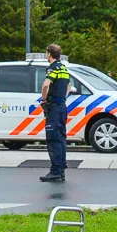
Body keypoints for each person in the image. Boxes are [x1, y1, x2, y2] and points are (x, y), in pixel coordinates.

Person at [40, 43, 71, 182]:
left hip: (53, 108)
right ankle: (62, 170)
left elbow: (46, 85)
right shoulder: (64, 68)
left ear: (49, 54)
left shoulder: (52, 69)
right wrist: (62, 97)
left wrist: (44, 99)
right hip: (62, 107)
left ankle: (55, 171)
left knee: (53, 139)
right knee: (61, 139)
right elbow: (69, 86)